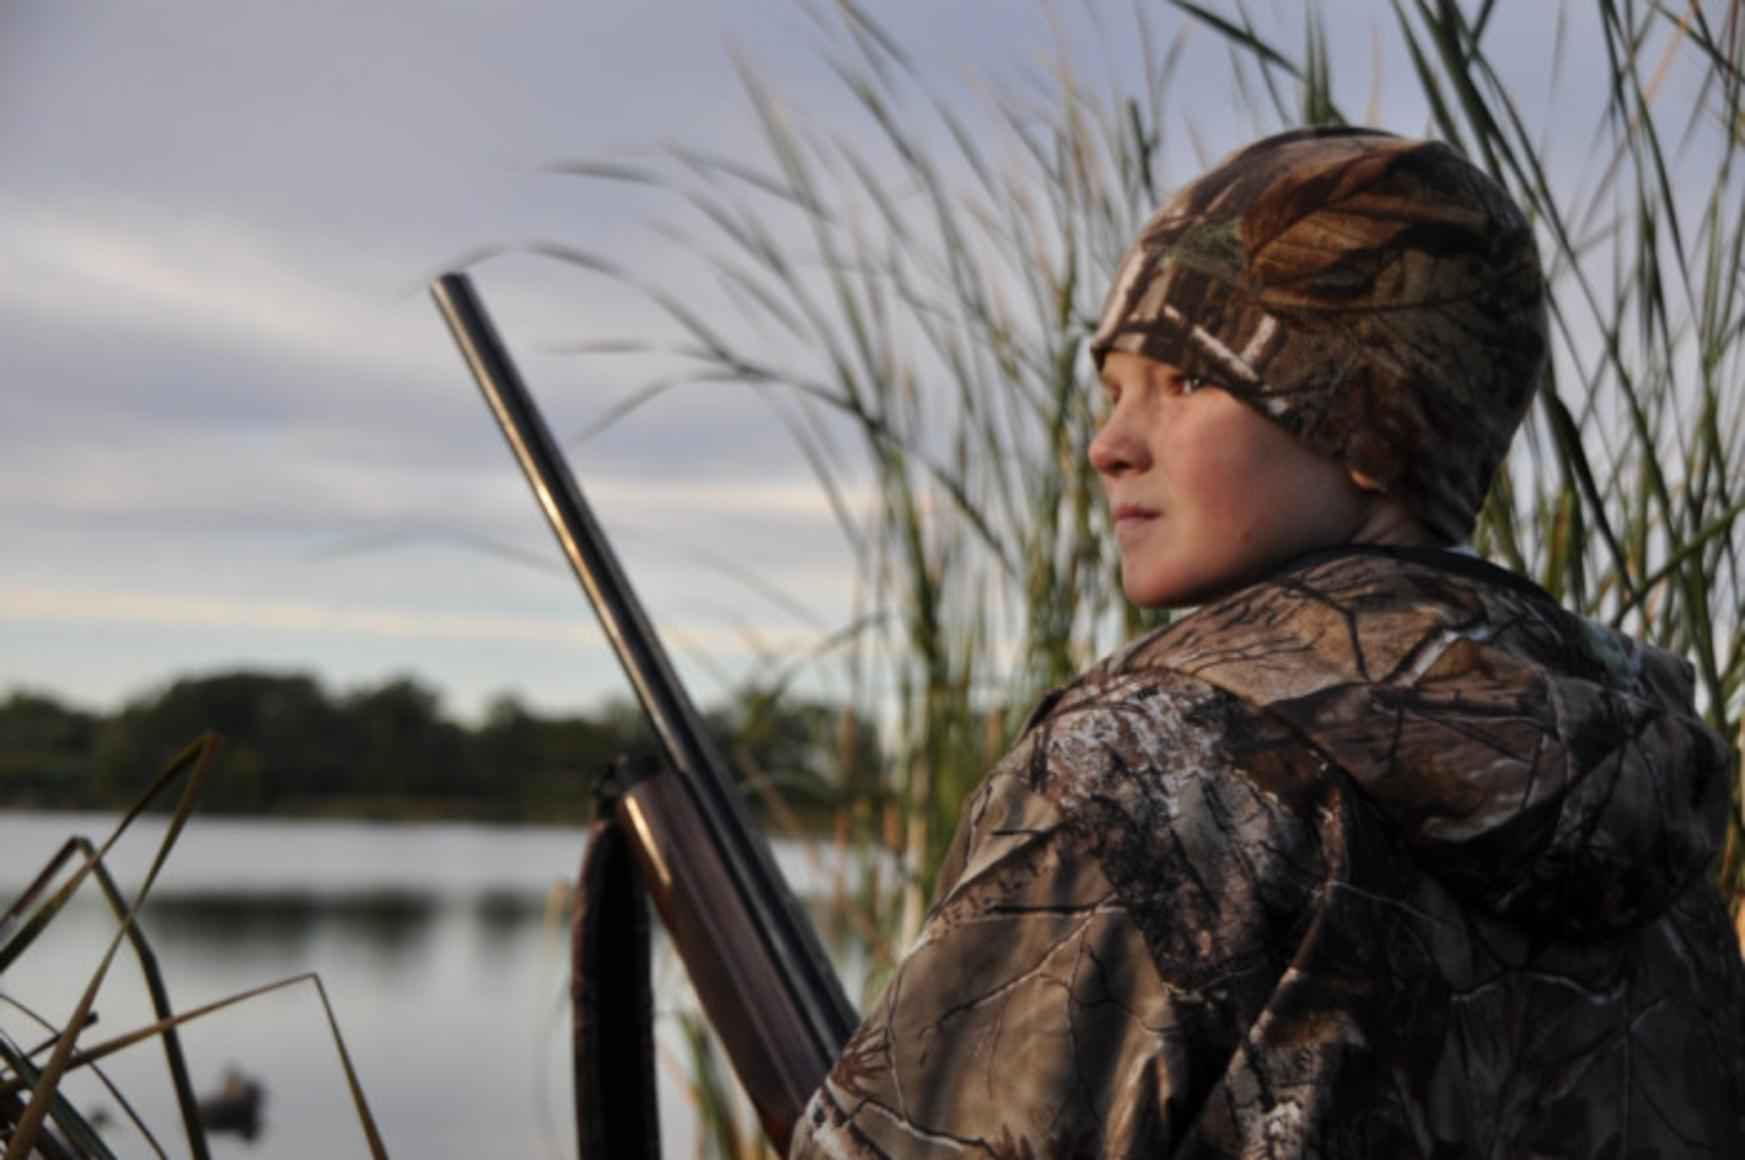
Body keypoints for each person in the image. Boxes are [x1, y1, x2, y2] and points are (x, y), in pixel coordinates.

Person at [787, 127, 1745, 1158]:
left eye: (1184, 381)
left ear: (1374, 418)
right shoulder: (1644, 781)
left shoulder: (1152, 762)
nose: (1108, 445)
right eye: (1112, 390)